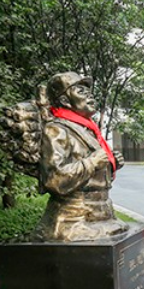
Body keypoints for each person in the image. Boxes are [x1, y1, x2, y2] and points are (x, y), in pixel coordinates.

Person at [36, 71, 128, 241]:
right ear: (65, 100)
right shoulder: (57, 130)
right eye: (81, 91)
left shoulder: (88, 129)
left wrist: (112, 164)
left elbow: (92, 176)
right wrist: (92, 162)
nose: (89, 96)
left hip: (101, 213)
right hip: (73, 218)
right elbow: (54, 179)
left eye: (89, 91)